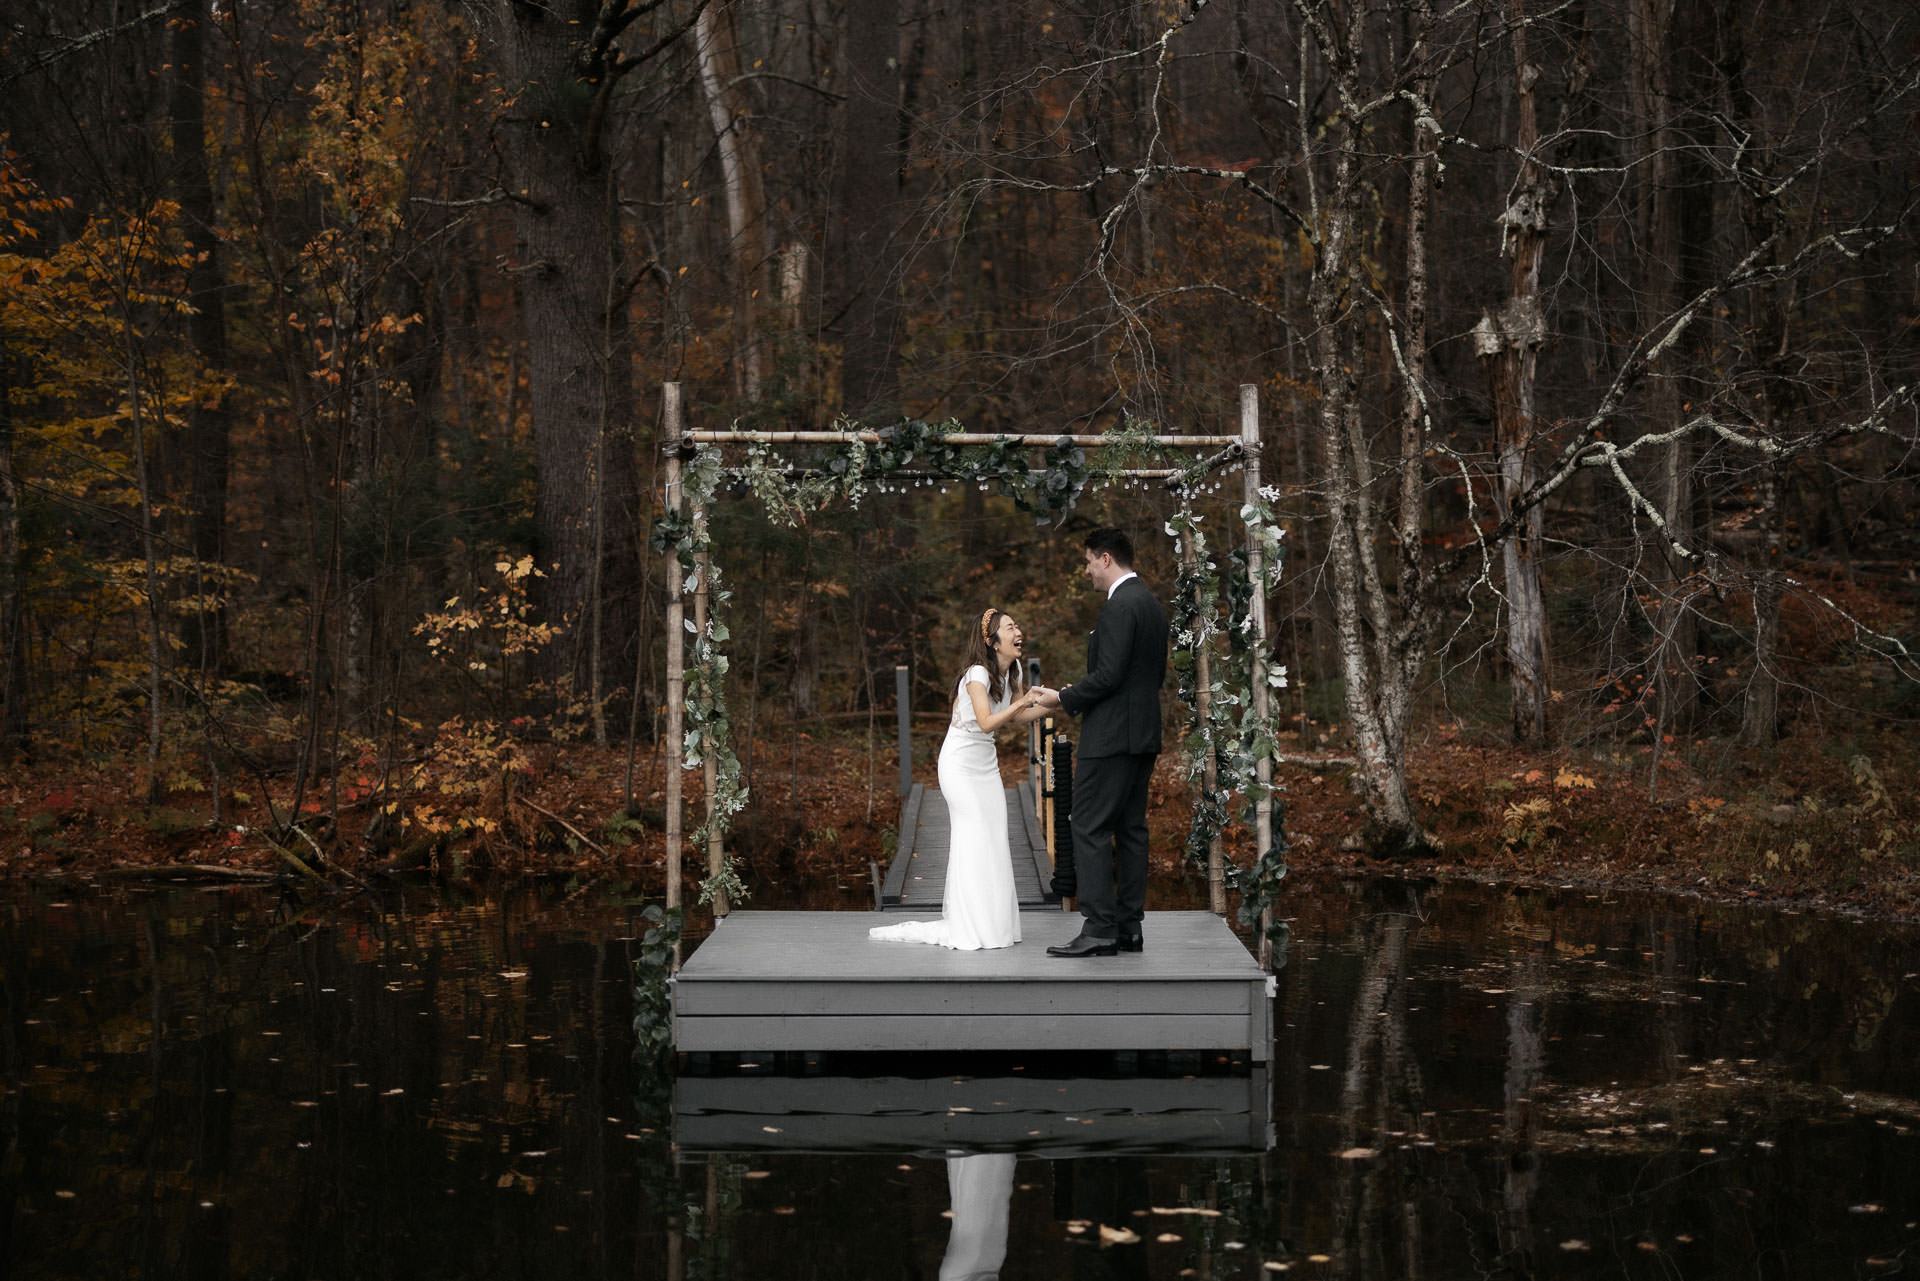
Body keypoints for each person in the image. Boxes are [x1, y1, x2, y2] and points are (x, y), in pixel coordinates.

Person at [870, 610, 1053, 950]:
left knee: (995, 837)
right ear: (991, 640)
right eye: (1010, 627)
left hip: (987, 766)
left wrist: (1057, 704)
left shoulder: (1011, 670)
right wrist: (1027, 699)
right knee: (973, 838)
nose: (1019, 631)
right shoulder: (977, 674)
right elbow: (986, 722)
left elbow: (1020, 716)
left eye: (1017, 625)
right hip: (959, 767)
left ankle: (995, 926)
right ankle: (971, 926)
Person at [1034, 529, 1166, 957]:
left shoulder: (1118, 607)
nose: (1087, 570)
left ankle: (1099, 928)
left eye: (1089, 561)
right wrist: (1088, 689)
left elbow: (1108, 676)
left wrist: (1064, 697)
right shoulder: (1150, 605)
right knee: (1130, 830)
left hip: (1109, 738)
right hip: (1142, 734)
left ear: (1106, 559)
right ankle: (1128, 927)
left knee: (1087, 825)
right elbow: (1138, 677)